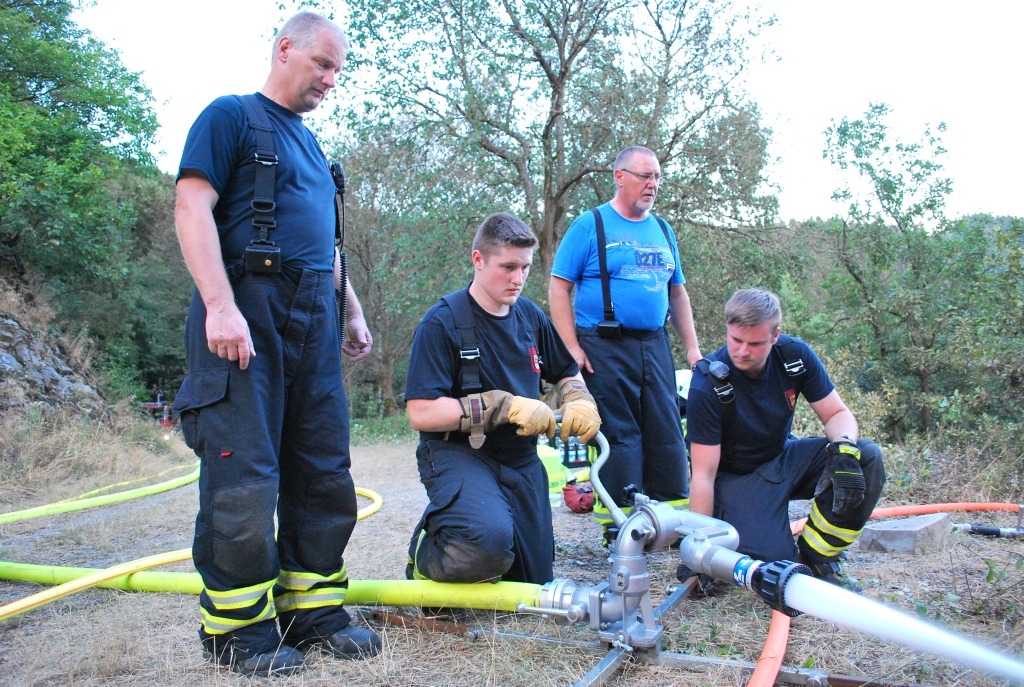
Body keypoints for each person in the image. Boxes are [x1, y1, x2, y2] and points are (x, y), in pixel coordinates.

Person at [171, 12, 380, 677]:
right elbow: (191, 206)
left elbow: (326, 245)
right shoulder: (229, 117)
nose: (330, 80)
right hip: (244, 321)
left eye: (338, 71)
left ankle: (312, 610)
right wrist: (219, 304)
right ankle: (237, 632)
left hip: (313, 322)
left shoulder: (315, 150)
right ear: (284, 48)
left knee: (323, 469)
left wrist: (350, 308)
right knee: (245, 476)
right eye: (322, 64)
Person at [404, 212, 602, 589]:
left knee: (533, 580)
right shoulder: (441, 322)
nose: (518, 278)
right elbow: (421, 412)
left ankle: (485, 546)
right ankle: (426, 555)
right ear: (478, 260)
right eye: (508, 266)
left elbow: (565, 370)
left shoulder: (529, 315)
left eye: (525, 268)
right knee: (485, 545)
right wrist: (502, 405)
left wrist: (579, 398)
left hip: (520, 457)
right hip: (460, 454)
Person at [686, 289, 886, 590]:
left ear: (775, 336)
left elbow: (836, 414)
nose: (742, 351)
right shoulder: (707, 384)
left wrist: (844, 448)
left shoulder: (794, 356)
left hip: (784, 456)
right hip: (740, 479)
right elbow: (703, 475)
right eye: (735, 340)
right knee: (774, 565)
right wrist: (699, 555)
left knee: (865, 456)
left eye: (754, 344)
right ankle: (764, 542)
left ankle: (818, 555)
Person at [549, 145, 700, 540]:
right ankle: (620, 528)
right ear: (619, 176)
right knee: (621, 435)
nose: (652, 185)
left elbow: (678, 293)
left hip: (654, 344)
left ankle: (669, 524)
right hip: (603, 345)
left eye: (656, 178)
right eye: (644, 176)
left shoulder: (663, 230)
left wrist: (692, 349)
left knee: (666, 430)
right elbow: (559, 286)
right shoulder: (591, 225)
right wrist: (570, 347)